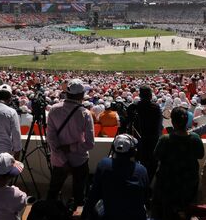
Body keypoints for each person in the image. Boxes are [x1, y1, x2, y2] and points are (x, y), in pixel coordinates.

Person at [46, 79, 95, 209]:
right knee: (80, 196)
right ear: (81, 95)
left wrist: (62, 159)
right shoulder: (85, 113)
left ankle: (49, 214)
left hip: (58, 160)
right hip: (79, 159)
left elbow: (50, 138)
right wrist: (72, 148)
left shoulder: (53, 110)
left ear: (66, 93)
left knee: (53, 192)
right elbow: (90, 144)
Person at [153, 107, 205, 220]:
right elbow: (200, 155)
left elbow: (157, 156)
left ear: (172, 121)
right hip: (189, 180)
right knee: (187, 209)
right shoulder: (195, 138)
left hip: (168, 181)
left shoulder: (164, 139)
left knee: (167, 210)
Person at [82, 134, 148, 220]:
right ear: (133, 152)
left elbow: (94, 194)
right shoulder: (142, 170)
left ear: (113, 149)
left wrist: (84, 215)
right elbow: (145, 196)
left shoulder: (104, 164)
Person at [127, 85, 163, 181]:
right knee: (151, 165)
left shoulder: (135, 107)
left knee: (140, 163)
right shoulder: (155, 107)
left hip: (140, 141)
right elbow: (159, 126)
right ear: (150, 96)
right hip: (152, 141)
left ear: (140, 95)